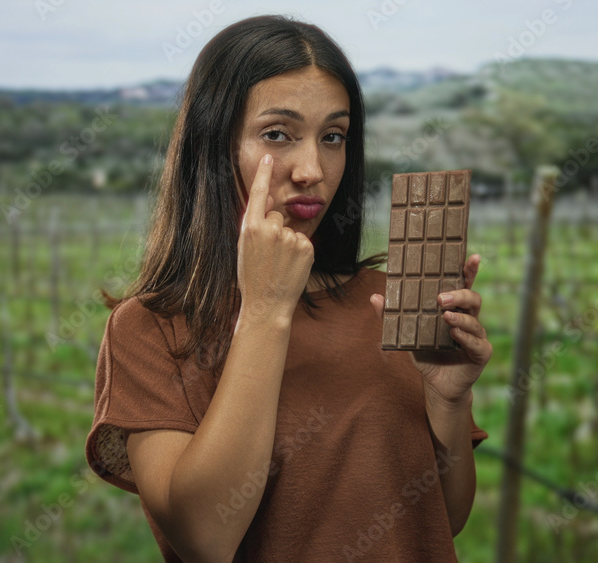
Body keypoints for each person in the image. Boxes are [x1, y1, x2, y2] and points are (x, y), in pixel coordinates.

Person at [85, 14, 493, 562]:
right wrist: (266, 308)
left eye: (333, 137)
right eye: (277, 134)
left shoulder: (389, 304)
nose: (312, 169)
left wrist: (449, 399)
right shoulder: (149, 330)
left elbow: (442, 519)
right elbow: (206, 536)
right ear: (216, 145)